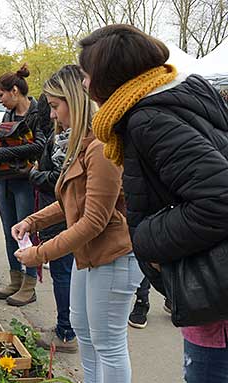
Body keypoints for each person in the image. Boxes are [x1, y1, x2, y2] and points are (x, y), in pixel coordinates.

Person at [80, 24, 228, 383]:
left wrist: (146, 240)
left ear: (107, 77)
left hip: (214, 299)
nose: (83, 85)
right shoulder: (176, 100)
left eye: (86, 76)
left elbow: (220, 198)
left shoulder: (150, 119)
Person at [13, 65, 142, 383]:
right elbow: (73, 201)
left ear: (75, 100)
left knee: (108, 346)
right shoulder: (81, 143)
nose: (53, 115)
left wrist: (39, 254)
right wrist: (33, 220)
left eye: (56, 106)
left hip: (113, 256)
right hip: (91, 256)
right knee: (85, 336)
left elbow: (94, 220)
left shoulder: (100, 147)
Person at [0, 64, 46, 307]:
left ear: (15, 91)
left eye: (1, 95)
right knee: (9, 229)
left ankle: (29, 284)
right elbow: (1, 140)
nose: (0, 100)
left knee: (26, 232)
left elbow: (40, 146)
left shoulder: (38, 113)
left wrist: (4, 154)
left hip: (26, 181)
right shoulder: (9, 115)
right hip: (5, 179)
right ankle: (15, 279)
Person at [25, 93, 76, 353]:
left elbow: (65, 189)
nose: (53, 115)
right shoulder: (62, 137)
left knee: (64, 273)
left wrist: (34, 174)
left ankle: (67, 331)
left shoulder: (80, 143)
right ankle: (64, 325)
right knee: (63, 273)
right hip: (57, 214)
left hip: (66, 223)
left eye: (55, 107)